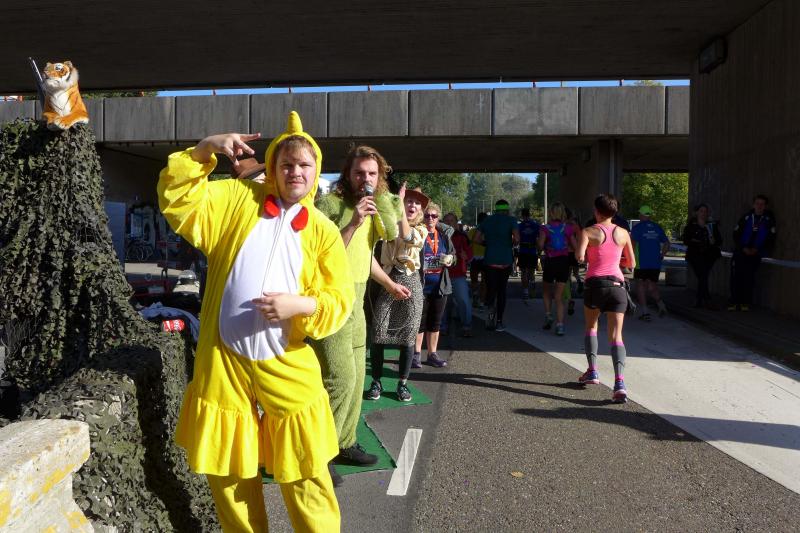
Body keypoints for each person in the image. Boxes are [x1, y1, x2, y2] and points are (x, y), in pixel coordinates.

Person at [158, 112, 353, 532]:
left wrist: (300, 305)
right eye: (287, 164)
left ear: (316, 170)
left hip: (286, 361)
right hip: (223, 359)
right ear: (273, 168)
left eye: (304, 165)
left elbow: (340, 299)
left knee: (305, 466)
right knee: (228, 471)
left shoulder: (323, 231)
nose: (295, 171)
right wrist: (205, 148)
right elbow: (180, 200)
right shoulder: (237, 199)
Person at [313, 145, 405, 483]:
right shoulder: (329, 205)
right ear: (348, 175)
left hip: (358, 298)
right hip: (331, 298)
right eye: (359, 173)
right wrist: (353, 222)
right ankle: (321, 455)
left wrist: (389, 284)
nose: (365, 179)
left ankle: (344, 442)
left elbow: (371, 252)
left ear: (379, 177)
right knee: (340, 379)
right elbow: (321, 252)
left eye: (372, 173)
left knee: (356, 380)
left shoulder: (373, 207)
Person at [365, 185, 427, 403]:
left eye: (417, 203)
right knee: (378, 333)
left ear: (420, 210)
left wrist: (398, 205)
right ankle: (376, 381)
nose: (412, 205)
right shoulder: (387, 223)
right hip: (387, 280)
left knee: (408, 337)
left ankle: (402, 383)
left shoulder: (422, 229)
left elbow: (407, 235)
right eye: (409, 200)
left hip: (411, 283)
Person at [576, 194, 636, 403]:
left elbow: (579, 257)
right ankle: (619, 383)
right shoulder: (624, 233)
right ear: (614, 212)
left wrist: (590, 254)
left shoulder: (588, 231)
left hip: (595, 286)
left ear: (596, 211)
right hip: (617, 287)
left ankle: (592, 371)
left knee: (591, 327)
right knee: (616, 336)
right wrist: (616, 260)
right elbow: (631, 263)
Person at [415, 202, 456, 367]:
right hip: (420, 285)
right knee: (419, 322)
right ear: (422, 217)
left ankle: (432, 354)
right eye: (427, 215)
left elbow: (454, 256)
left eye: (434, 216)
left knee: (435, 322)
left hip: (440, 285)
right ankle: (416, 354)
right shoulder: (418, 234)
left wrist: (451, 260)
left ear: (438, 218)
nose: (430, 219)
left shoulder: (444, 236)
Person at [472, 200, 519, 332]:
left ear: (496, 209)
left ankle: (490, 314)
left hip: (490, 260)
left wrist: (487, 244)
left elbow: (476, 239)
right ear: (507, 209)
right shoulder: (511, 220)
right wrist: (511, 243)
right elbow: (517, 239)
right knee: (502, 290)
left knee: (491, 288)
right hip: (505, 260)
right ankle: (499, 322)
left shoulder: (487, 221)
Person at [729, 195, 777, 311]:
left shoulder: (768, 221)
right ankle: (734, 302)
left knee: (749, 278)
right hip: (741, 252)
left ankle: (745, 303)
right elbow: (736, 235)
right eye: (757, 203)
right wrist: (743, 248)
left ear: (765, 206)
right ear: (753, 205)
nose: (759, 206)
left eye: (762, 204)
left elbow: (771, 239)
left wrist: (757, 249)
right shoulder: (746, 218)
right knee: (736, 277)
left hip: (755, 254)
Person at [537, 202, 577, 336]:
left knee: (546, 292)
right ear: (563, 213)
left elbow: (540, 245)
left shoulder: (545, 228)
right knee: (559, 297)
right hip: (563, 263)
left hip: (550, 262)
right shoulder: (568, 228)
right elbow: (576, 247)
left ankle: (548, 315)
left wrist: (542, 247)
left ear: (551, 213)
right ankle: (560, 326)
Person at [630, 205, 670, 321]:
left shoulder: (637, 228)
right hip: (655, 263)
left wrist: (630, 259)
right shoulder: (657, 227)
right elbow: (667, 243)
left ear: (641, 215)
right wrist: (662, 255)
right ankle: (661, 305)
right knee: (652, 286)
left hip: (641, 263)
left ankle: (645, 313)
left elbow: (632, 244)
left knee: (640, 285)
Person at [682, 203, 723, 308]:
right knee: (702, 276)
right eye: (701, 211)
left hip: (710, 255)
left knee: (703, 276)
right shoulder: (691, 226)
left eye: (705, 211)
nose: (703, 213)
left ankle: (700, 300)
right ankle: (706, 299)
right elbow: (685, 240)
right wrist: (696, 241)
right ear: (696, 212)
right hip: (695, 255)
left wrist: (714, 241)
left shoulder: (712, 225)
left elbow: (719, 240)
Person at [442, 212, 474, 337]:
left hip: (458, 275)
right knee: (443, 302)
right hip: (442, 275)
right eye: (446, 221)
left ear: (456, 223)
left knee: (463, 300)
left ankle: (466, 326)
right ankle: (442, 326)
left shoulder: (463, 236)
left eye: (452, 221)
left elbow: (470, 255)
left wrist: (466, 257)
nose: (449, 223)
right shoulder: (438, 235)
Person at [517, 207, 540, 301]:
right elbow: (538, 238)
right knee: (531, 271)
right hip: (532, 251)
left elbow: (516, 239)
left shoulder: (519, 226)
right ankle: (533, 284)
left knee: (523, 272)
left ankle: (525, 292)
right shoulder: (535, 225)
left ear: (522, 215)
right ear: (529, 214)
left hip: (523, 250)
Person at [467, 212, 488, 308]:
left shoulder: (472, 231)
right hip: (485, 258)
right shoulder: (488, 231)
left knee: (474, 280)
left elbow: (468, 244)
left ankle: (476, 295)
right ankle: (481, 302)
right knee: (484, 281)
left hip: (475, 258)